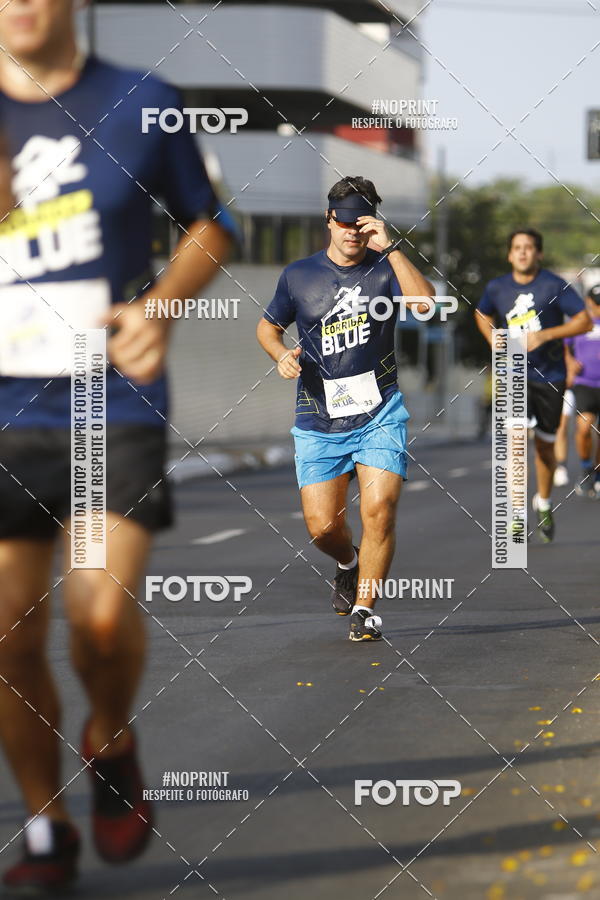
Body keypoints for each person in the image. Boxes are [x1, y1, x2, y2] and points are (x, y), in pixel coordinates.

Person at [0, 0, 234, 894]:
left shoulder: (144, 103)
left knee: (96, 613)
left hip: (110, 402)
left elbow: (211, 222)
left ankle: (111, 736)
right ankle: (47, 829)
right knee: (10, 639)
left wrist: (161, 307)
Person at [257, 176, 433, 642]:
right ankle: (348, 562)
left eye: (362, 224)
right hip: (318, 419)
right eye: (344, 224)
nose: (352, 233)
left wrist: (392, 248)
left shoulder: (385, 267)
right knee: (322, 529)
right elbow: (267, 328)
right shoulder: (299, 275)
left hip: (380, 412)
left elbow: (425, 306)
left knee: (380, 509)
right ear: (329, 221)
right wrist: (280, 355)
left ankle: (366, 610)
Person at [476, 229, 591, 542]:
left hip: (550, 378)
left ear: (538, 254)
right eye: (517, 248)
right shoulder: (497, 287)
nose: (523, 253)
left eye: (529, 248)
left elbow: (584, 321)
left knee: (544, 447)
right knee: (515, 442)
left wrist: (546, 335)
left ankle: (543, 501)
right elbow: (481, 313)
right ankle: (515, 514)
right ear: (509, 254)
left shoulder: (553, 285)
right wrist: (491, 338)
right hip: (514, 375)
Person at [565, 284, 600, 498]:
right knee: (584, 427)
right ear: (588, 302)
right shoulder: (579, 322)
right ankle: (587, 467)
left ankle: (598, 473)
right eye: (596, 303)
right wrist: (569, 362)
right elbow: (563, 344)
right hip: (585, 383)